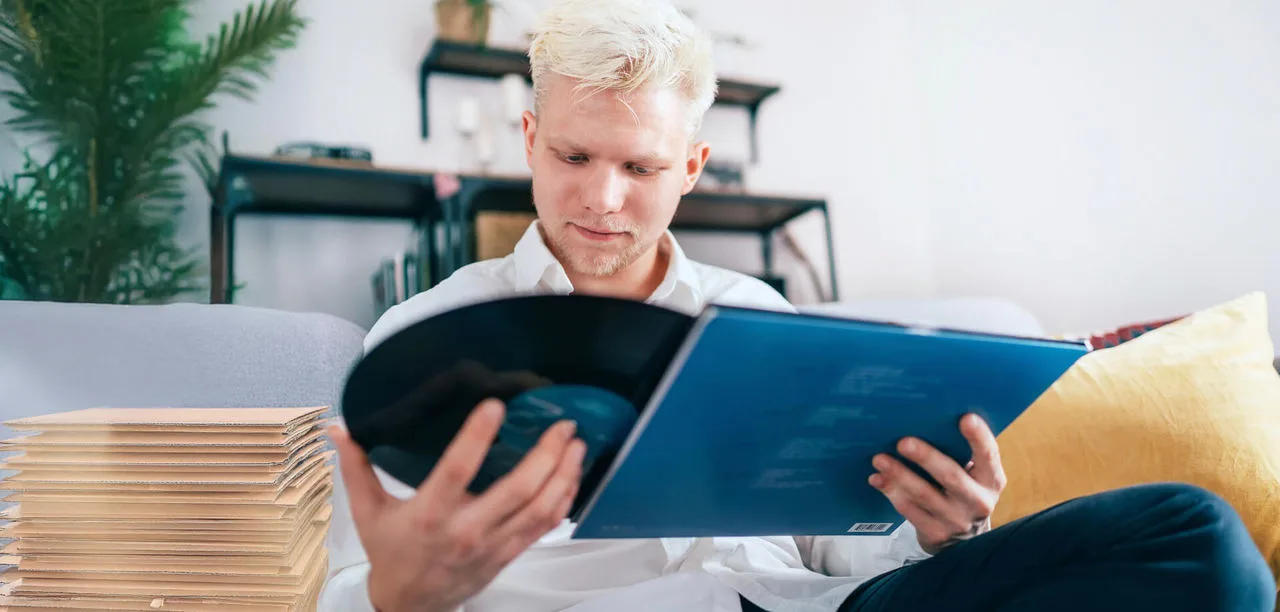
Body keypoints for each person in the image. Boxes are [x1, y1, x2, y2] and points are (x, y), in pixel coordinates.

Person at [318, 0, 1277, 610]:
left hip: (804, 609)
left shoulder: (758, 315)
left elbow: (843, 554)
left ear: (691, 167)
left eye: (642, 166)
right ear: (529, 140)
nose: (603, 199)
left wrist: (945, 532)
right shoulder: (423, 338)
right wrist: (399, 598)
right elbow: (339, 587)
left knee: (1194, 538)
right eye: (573, 157)